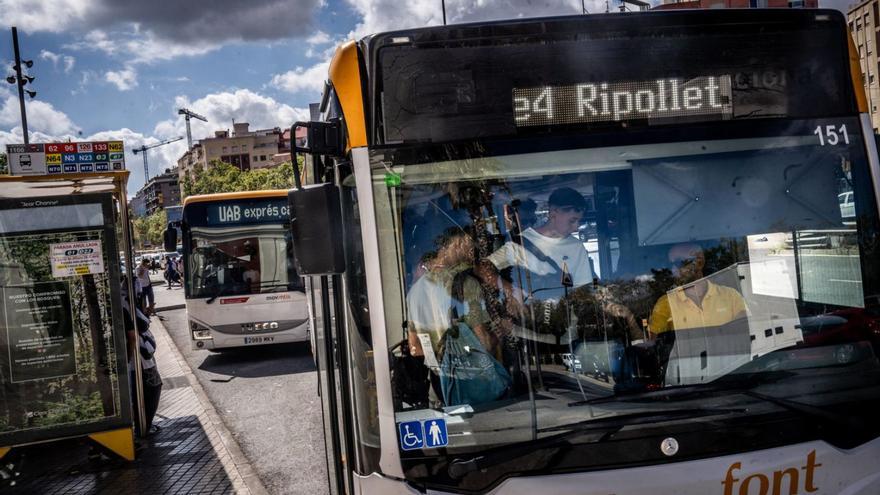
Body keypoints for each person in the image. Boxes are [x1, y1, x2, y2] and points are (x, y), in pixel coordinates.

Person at [648, 243, 747, 336]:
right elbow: (653, 345)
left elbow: (748, 335)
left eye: (679, 263)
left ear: (699, 262)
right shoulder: (665, 303)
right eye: (671, 264)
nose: (673, 270)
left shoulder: (731, 296)